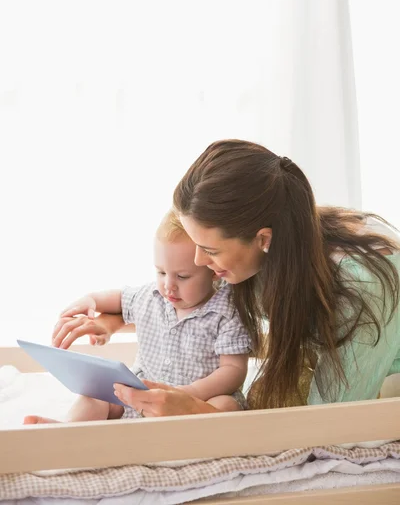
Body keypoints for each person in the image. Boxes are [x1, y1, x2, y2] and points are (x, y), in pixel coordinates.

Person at [51, 139, 400, 416]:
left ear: (263, 239)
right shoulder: (271, 250)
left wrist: (196, 409)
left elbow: (329, 422)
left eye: (211, 251)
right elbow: (198, 307)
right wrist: (114, 320)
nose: (200, 262)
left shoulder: (360, 292)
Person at [24, 209, 251, 424]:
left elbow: (233, 370)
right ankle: (68, 429)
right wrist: (92, 301)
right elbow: (119, 298)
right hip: (140, 396)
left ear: (212, 270)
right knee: (94, 395)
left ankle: (188, 438)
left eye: (182, 276)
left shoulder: (228, 311)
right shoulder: (151, 296)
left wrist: (190, 393)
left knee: (226, 405)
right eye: (161, 272)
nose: (168, 285)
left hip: (196, 402)